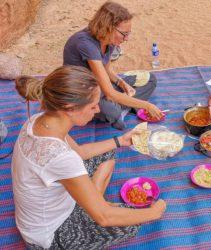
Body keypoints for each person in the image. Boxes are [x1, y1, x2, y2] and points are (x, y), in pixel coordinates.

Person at [12, 65, 166, 249]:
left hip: (40, 216)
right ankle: (91, 204)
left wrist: (120, 141)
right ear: (69, 108)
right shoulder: (60, 157)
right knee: (130, 219)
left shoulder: (37, 120)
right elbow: (104, 218)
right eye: (93, 106)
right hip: (49, 236)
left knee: (107, 152)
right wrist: (154, 212)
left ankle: (92, 200)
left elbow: (80, 153)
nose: (98, 110)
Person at [63, 1, 163, 130]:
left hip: (100, 85)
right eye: (124, 33)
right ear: (108, 27)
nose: (126, 38)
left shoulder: (109, 40)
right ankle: (120, 109)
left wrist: (122, 83)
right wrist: (147, 106)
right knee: (111, 111)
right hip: (83, 93)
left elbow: (107, 70)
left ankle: (122, 106)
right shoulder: (86, 44)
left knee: (150, 79)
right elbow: (109, 93)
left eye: (128, 33)